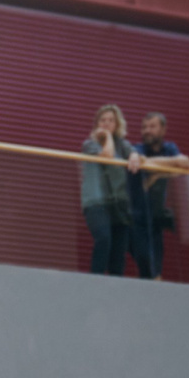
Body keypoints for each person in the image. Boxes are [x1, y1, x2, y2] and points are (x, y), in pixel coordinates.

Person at [124, 112, 189, 280]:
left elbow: (185, 163)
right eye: (144, 127)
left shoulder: (169, 148)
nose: (147, 130)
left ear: (163, 130)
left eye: (152, 126)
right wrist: (168, 166)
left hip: (155, 218)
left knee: (156, 268)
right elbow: (140, 162)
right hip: (134, 217)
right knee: (146, 263)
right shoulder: (137, 148)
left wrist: (152, 169)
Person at [79, 104, 135, 275]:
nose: (106, 123)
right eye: (103, 120)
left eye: (111, 120)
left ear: (117, 124)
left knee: (118, 253)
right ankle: (94, 283)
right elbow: (107, 157)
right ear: (97, 124)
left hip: (119, 203)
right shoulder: (89, 144)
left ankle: (114, 293)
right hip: (96, 203)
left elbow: (134, 154)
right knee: (103, 239)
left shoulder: (123, 144)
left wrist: (133, 155)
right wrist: (108, 137)